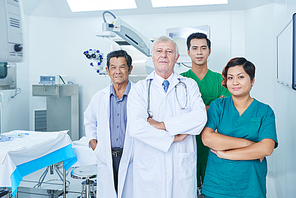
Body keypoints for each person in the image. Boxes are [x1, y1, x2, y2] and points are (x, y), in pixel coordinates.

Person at [127, 35, 207, 198]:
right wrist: (172, 138)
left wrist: (161, 125)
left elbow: (200, 118)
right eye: (159, 51)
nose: (163, 55)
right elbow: (135, 128)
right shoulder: (139, 89)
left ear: (177, 57)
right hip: (150, 170)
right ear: (152, 56)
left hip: (181, 167)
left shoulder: (189, 84)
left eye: (169, 51)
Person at [201, 57, 278, 198]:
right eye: (230, 78)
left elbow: (266, 148)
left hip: (250, 185)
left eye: (241, 77)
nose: (235, 82)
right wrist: (249, 144)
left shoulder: (264, 111)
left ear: (252, 80)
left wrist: (226, 153)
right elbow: (207, 138)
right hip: (218, 184)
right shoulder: (218, 106)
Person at [180, 32, 231, 186]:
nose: (199, 52)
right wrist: (213, 106)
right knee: (188, 188)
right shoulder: (180, 80)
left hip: (215, 142)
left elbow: (226, 111)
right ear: (188, 52)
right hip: (189, 140)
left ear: (209, 51)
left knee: (214, 188)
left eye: (203, 48)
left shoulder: (221, 80)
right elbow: (179, 113)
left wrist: (194, 110)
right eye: (195, 48)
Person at [84, 50, 133, 198]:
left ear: (130, 69)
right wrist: (95, 144)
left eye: (122, 67)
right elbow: (89, 121)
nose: (118, 71)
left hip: (132, 157)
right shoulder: (99, 97)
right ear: (107, 70)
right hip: (107, 156)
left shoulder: (140, 94)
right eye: (113, 67)